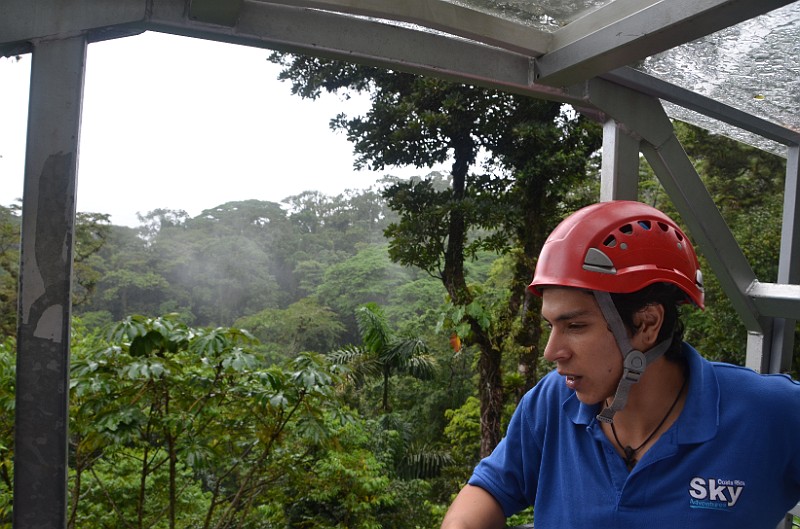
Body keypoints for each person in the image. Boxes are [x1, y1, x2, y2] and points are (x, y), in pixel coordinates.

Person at [440, 200, 800, 529]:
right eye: (551, 326)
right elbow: (487, 491)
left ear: (646, 324)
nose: (552, 352)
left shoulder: (767, 413)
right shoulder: (553, 402)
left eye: (575, 326)